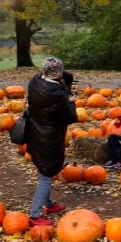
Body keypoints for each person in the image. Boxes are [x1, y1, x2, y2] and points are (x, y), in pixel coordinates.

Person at [25, 57, 78, 226]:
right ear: (59, 73)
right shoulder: (57, 95)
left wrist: (64, 79)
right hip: (49, 138)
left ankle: (48, 204)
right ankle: (34, 215)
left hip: (35, 133)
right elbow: (71, 117)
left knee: (43, 169)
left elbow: (63, 77)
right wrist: (71, 102)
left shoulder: (35, 83)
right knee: (46, 176)